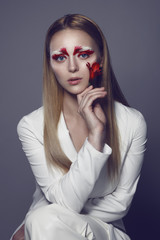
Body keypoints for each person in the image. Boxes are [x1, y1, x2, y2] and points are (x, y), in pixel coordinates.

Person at [11, 14, 147, 240]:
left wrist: (97, 134)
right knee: (43, 223)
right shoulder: (32, 126)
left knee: (41, 221)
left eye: (83, 54)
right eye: (60, 58)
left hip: (105, 232)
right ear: (51, 64)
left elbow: (120, 205)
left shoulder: (132, 122)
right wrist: (95, 141)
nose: (72, 67)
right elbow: (66, 203)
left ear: (101, 58)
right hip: (49, 229)